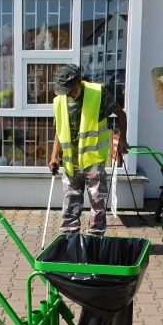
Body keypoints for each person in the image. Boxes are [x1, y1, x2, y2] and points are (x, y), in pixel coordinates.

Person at [48, 64, 128, 235]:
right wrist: (54, 156)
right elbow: (59, 131)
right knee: (71, 200)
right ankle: (69, 238)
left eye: (69, 89)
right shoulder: (59, 101)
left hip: (93, 160)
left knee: (97, 201)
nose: (67, 93)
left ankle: (95, 237)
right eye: (64, 90)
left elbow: (120, 114)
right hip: (71, 161)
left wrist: (122, 140)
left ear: (79, 82)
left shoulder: (97, 94)